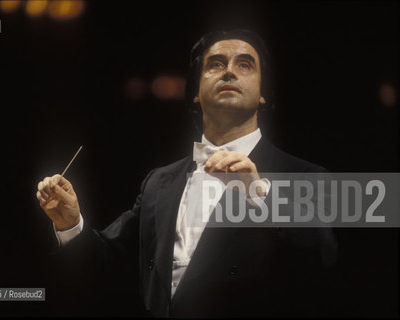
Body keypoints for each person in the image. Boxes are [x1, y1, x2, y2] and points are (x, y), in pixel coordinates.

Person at [36, 29, 338, 317]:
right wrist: (70, 224)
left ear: (263, 95)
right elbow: (106, 266)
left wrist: (260, 196)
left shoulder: (303, 174)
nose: (229, 71)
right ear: (195, 92)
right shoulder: (158, 183)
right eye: (215, 64)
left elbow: (325, 262)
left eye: (245, 65)